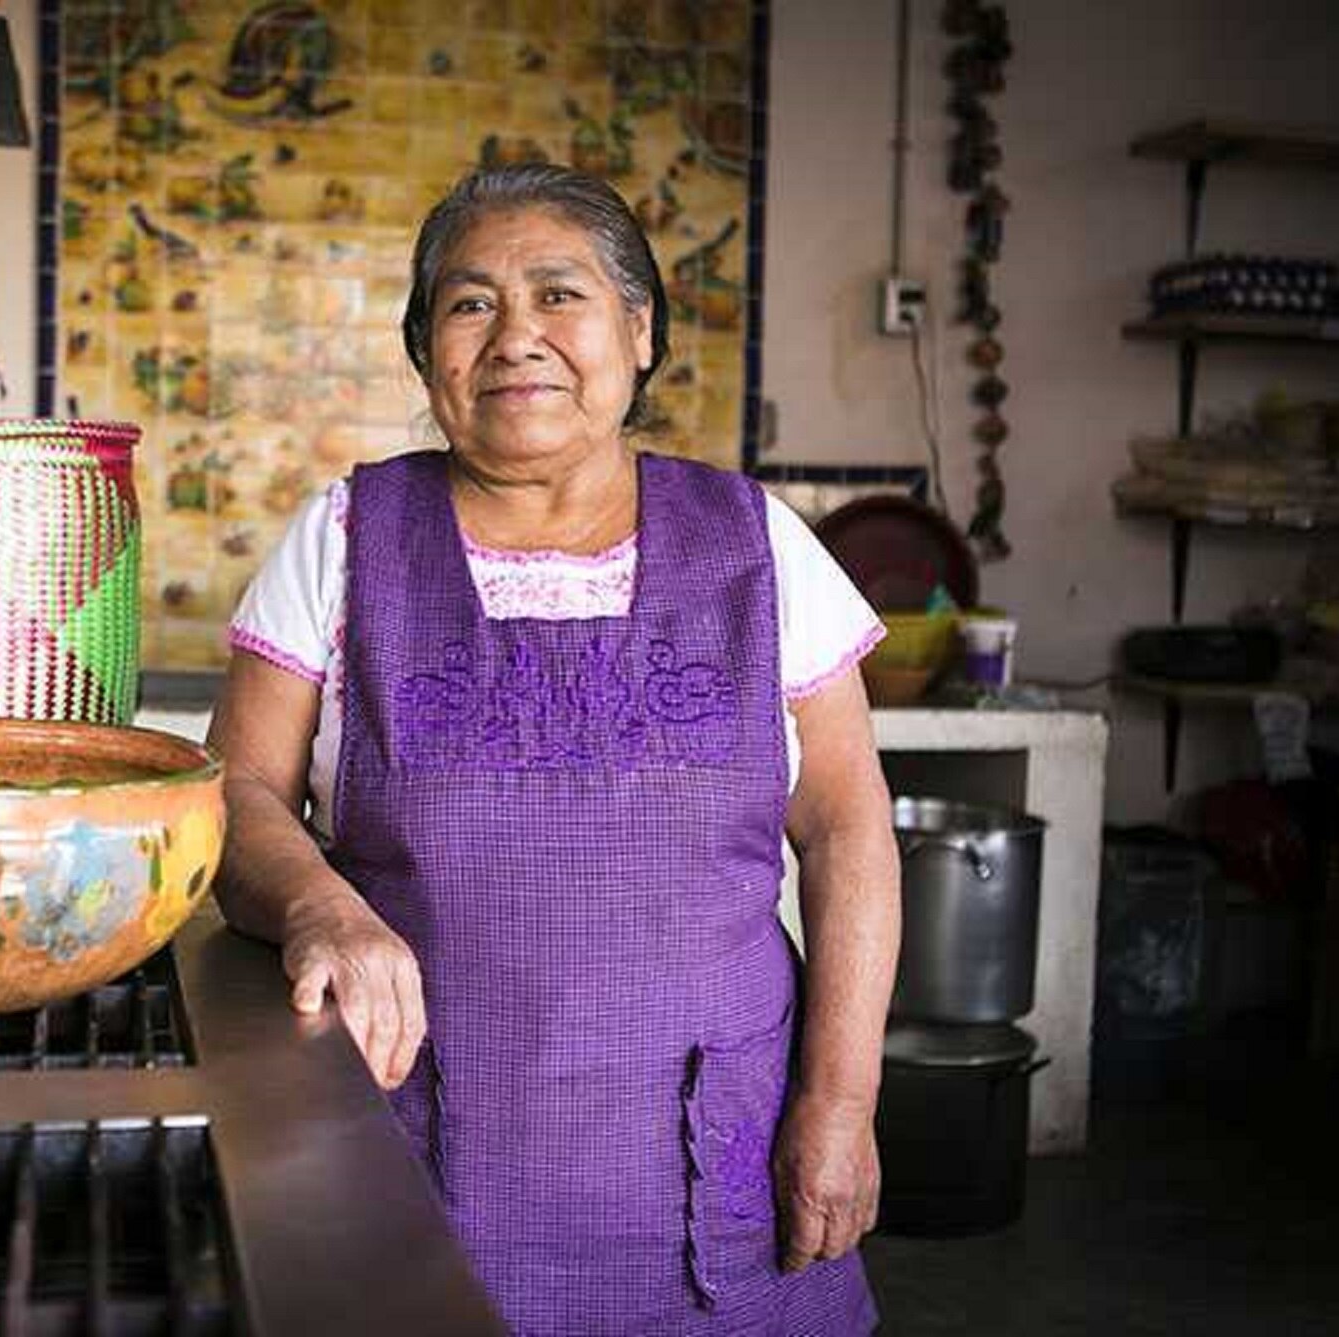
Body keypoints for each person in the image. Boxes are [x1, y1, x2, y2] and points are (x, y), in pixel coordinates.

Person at [210, 163, 899, 1335]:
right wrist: (319, 901)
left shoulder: (755, 541)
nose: (515, 335)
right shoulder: (344, 536)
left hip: (710, 1162)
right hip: (419, 1143)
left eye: (558, 295)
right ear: (426, 350)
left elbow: (846, 830)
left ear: (636, 331)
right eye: (470, 302)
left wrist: (839, 1102)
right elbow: (229, 792)